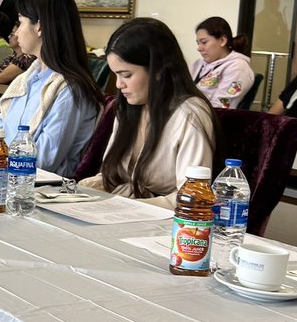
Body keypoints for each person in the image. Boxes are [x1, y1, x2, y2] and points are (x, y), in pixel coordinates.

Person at [79, 17, 219, 208]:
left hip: (164, 223)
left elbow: (191, 198)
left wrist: (129, 208)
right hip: (124, 211)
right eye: (116, 75)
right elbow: (112, 177)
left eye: (126, 75)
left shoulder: (190, 114)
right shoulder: (129, 107)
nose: (119, 85)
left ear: (158, 70)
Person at [0, 0, 103, 176]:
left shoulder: (71, 89)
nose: (16, 33)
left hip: (36, 190)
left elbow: (43, 161)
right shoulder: (26, 79)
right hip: (3, 175)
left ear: (39, 27)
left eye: (20, 23)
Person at [190, 16, 255, 108]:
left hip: (209, 119)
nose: (199, 48)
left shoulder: (238, 67)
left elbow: (221, 107)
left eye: (204, 42)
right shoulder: (198, 64)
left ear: (222, 41)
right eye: (198, 43)